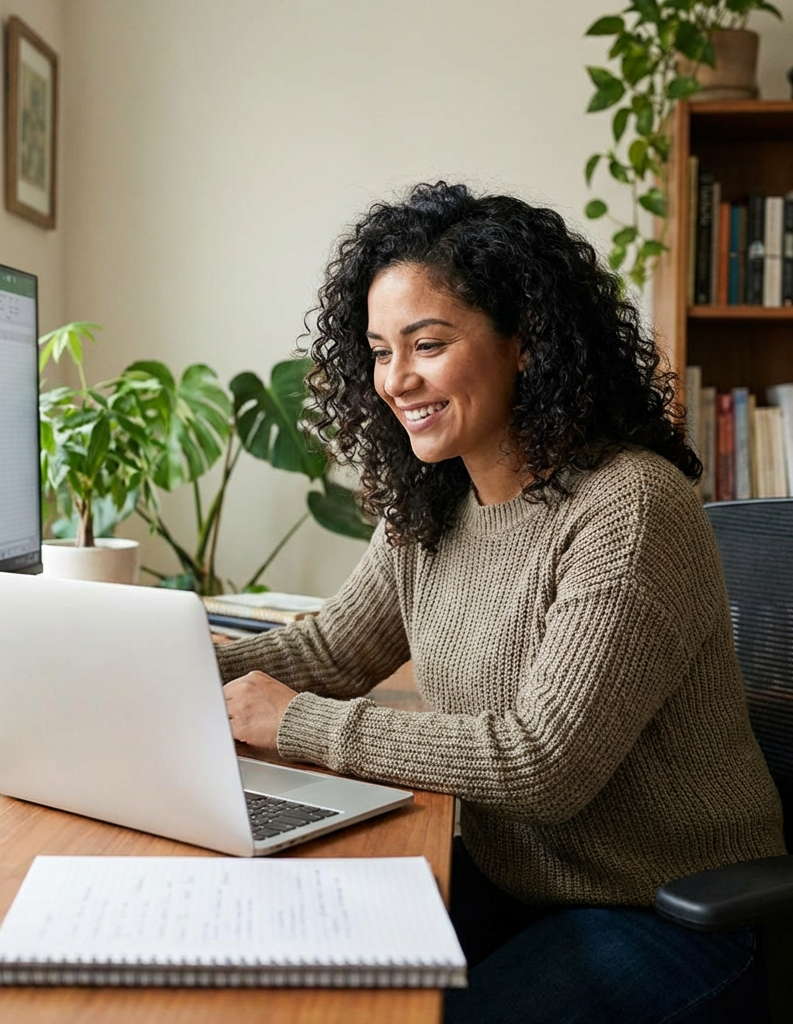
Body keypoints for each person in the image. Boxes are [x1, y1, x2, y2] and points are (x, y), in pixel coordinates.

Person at [217, 182, 786, 1023]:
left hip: (676, 912)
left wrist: (295, 721)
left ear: (525, 342)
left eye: (428, 343)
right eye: (378, 350)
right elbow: (333, 652)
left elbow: (541, 764)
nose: (396, 378)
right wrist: (153, 659)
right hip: (519, 885)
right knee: (308, 986)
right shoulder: (432, 502)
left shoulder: (628, 507)